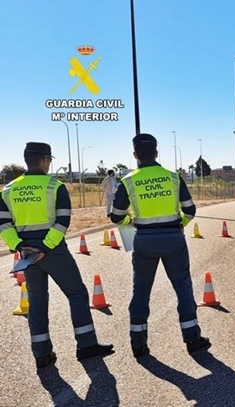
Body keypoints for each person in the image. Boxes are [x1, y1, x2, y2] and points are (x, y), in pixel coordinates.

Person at [0, 142, 114, 369]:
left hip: (26, 255)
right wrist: (45, 247)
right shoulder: (55, 186)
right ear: (43, 160)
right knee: (77, 294)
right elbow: (63, 221)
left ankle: (42, 354)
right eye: (50, 159)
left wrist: (20, 246)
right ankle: (86, 345)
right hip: (53, 251)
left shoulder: (8, 190)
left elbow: (3, 223)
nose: (49, 163)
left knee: (37, 301)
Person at [110, 133, 209, 357]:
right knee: (183, 287)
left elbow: (116, 216)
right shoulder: (173, 177)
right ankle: (192, 338)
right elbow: (190, 211)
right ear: (156, 153)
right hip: (174, 238)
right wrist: (178, 225)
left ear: (135, 155)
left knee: (141, 291)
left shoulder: (128, 181)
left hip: (144, 240)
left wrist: (130, 222)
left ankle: (138, 342)